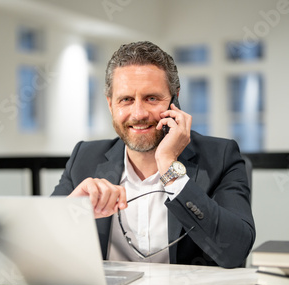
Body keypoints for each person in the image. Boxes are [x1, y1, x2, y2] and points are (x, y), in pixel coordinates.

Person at [52, 41, 255, 268]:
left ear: (175, 100)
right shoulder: (84, 158)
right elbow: (38, 245)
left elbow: (235, 252)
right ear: (110, 105)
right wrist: (69, 212)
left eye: (151, 98)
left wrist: (170, 169)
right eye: (126, 99)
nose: (138, 114)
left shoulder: (221, 157)